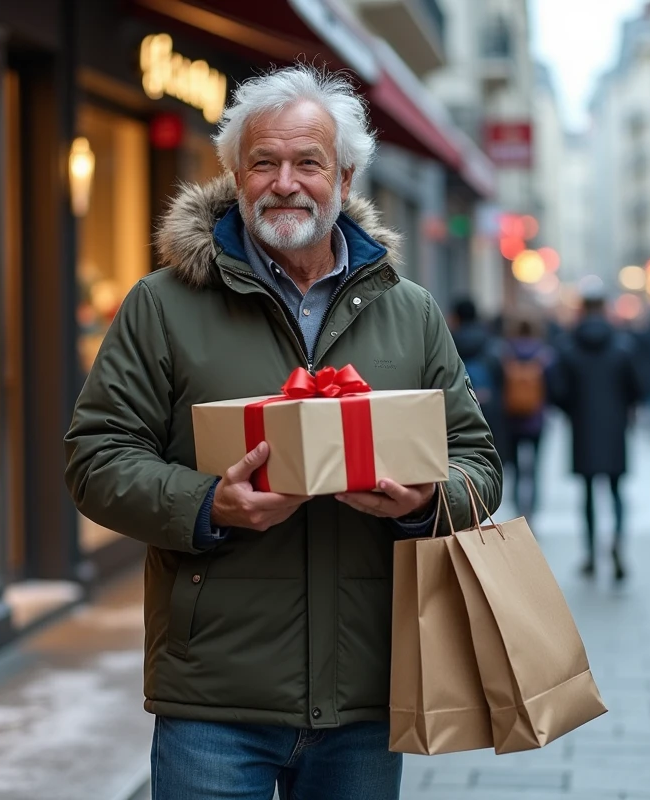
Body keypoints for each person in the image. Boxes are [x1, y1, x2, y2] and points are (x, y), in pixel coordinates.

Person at [63, 66, 501, 799]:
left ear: (346, 175)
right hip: (214, 696)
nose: (285, 182)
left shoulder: (411, 310)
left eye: (308, 163)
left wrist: (426, 500)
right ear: (236, 174)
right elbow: (94, 459)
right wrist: (208, 504)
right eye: (264, 162)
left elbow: (478, 462)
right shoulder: (162, 305)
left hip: (366, 689)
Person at [551, 282, 642, 580]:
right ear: (604, 309)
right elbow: (638, 388)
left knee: (588, 493)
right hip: (614, 428)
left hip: (583, 428)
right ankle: (617, 541)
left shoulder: (569, 349)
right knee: (616, 491)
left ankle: (590, 553)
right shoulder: (622, 347)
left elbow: (557, 391)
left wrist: (573, 411)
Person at [502, 312, 554, 519]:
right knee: (535, 468)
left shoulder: (505, 353)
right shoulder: (545, 355)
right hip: (537, 418)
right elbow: (554, 387)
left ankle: (517, 510)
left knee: (514, 468)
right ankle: (531, 510)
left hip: (511, 418)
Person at [450, 298, 509, 475]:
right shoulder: (490, 341)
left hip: (459, 404)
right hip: (490, 403)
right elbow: (500, 374)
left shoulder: (449, 341)